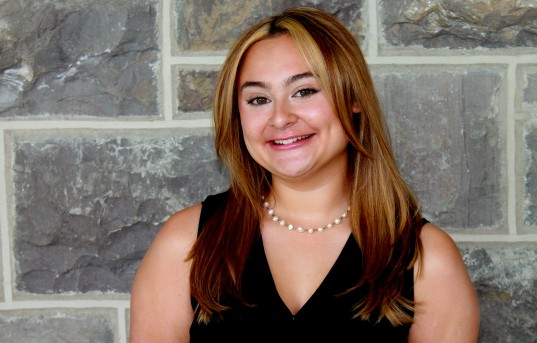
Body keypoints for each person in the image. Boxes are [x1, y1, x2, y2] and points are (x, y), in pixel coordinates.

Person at [130, 6, 480, 342]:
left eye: (304, 91)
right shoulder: (186, 243)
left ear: (353, 98)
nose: (280, 117)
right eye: (258, 99)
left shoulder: (426, 259)